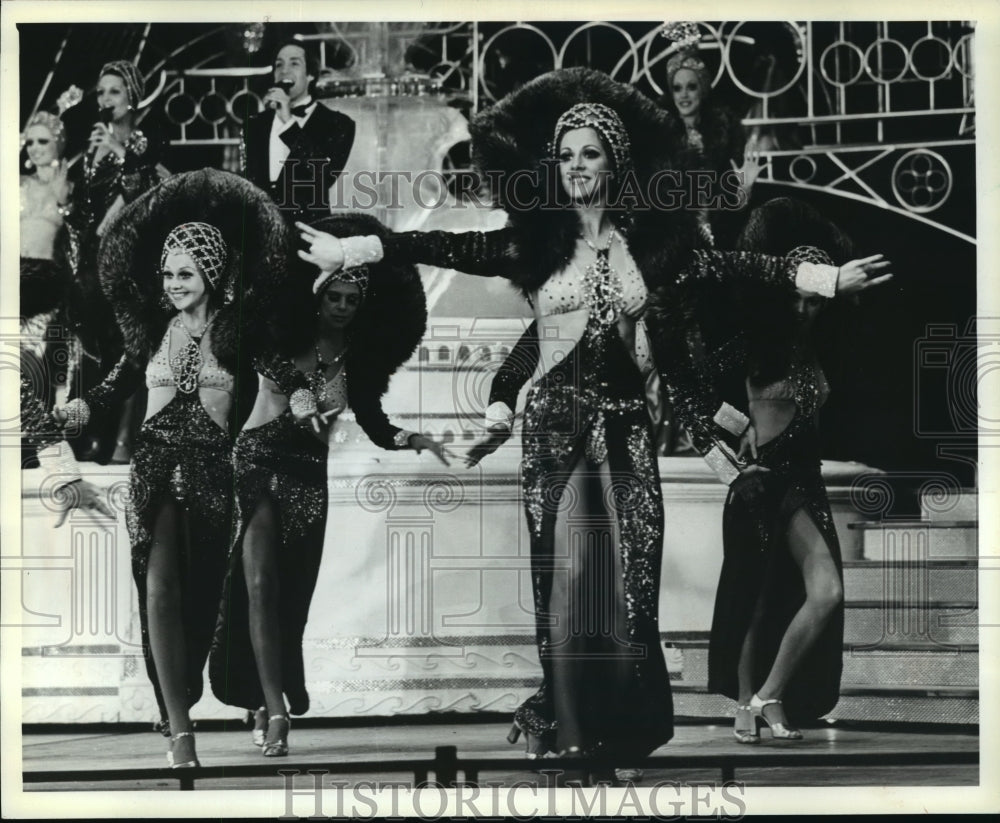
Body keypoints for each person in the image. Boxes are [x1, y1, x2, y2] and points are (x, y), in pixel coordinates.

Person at [293, 68, 879, 780]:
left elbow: (733, 264)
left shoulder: (652, 247)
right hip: (556, 427)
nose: (575, 165)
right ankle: (572, 734)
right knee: (570, 578)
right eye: (566, 154)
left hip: (627, 427)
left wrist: (823, 279)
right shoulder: (538, 244)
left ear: (615, 162)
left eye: (588, 153)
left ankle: (620, 734)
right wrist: (357, 249)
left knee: (629, 585)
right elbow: (446, 248)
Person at [47, 170, 290, 768]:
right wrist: (75, 409)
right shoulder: (152, 333)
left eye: (185, 273)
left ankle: (196, 697)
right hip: (153, 469)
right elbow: (114, 386)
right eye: (167, 274)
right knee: (156, 585)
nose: (174, 284)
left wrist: (305, 396)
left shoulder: (239, 333)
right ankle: (181, 734)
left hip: (214, 475)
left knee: (202, 599)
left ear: (209, 273)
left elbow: (284, 371)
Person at [645, 197, 893, 743]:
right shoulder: (752, 345)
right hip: (762, 481)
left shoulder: (820, 348)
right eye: (800, 299)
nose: (807, 310)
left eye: (816, 303)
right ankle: (744, 703)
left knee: (823, 592)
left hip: (804, 480)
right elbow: (700, 394)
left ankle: (769, 694)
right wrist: (738, 432)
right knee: (754, 599)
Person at [209, 212, 446, 757]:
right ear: (316, 295)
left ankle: (261, 694)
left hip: (310, 481)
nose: (340, 306)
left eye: (350, 300)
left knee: (290, 599)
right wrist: (295, 391)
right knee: (260, 586)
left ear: (362, 307)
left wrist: (416, 439)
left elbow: (376, 421)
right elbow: (257, 355)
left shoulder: (357, 361)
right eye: (333, 296)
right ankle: (275, 712)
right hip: (258, 463)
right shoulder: (282, 334)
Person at [61, 59, 163, 464]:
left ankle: (124, 441)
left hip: (129, 259)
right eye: (101, 93)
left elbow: (149, 187)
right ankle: (87, 437)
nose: (106, 100)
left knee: (128, 347)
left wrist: (119, 151)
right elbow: (85, 203)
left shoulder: (147, 138)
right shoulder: (93, 145)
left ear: (133, 95)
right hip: (92, 261)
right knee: (92, 346)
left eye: (114, 91)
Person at [659, 24, 763, 249]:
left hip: (718, 244)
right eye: (677, 88)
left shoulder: (724, 137)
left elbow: (735, 210)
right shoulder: (660, 137)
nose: (684, 95)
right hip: (674, 245)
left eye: (691, 87)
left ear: (702, 90)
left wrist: (744, 187)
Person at [240, 39, 355, 224]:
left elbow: (323, 177)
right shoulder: (254, 125)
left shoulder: (339, 124)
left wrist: (288, 123)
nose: (284, 70)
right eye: (279, 65)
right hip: (261, 234)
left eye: (294, 63)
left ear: (310, 75)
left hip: (310, 234)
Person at [20, 111, 74, 467]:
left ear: (58, 143)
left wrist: (63, 197)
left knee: (36, 358)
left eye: (44, 141)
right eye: (31, 141)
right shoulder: (18, 185)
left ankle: (36, 441)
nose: (36, 148)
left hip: (47, 280)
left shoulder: (69, 182)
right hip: (14, 274)